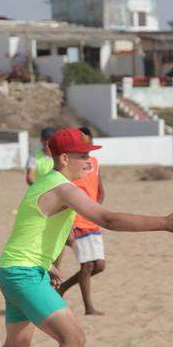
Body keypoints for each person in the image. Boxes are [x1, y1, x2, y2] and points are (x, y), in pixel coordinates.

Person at [0, 128, 173, 347]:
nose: (89, 161)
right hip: (22, 272)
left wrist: (46, 263)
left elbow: (30, 227)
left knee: (18, 343)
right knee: (73, 339)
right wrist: (164, 222)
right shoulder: (63, 188)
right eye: (83, 156)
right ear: (64, 159)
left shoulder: (45, 183)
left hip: (12, 268)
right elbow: (108, 219)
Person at [57, 127, 107, 315]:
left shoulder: (94, 162)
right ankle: (89, 307)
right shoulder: (70, 166)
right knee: (86, 265)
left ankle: (62, 288)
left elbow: (100, 190)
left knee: (99, 266)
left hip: (92, 221)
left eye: (87, 142)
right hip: (76, 221)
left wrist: (96, 210)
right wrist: (69, 224)